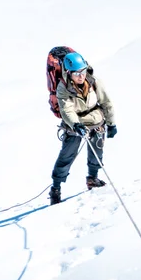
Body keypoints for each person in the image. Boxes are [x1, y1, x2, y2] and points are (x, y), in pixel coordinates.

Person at [49, 52, 117, 205]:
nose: (81, 76)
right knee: (67, 154)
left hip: (96, 120)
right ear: (68, 73)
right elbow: (66, 110)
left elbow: (106, 102)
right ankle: (56, 188)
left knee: (97, 149)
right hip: (75, 124)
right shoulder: (63, 88)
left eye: (83, 71)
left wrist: (111, 123)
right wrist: (75, 124)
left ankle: (93, 178)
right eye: (76, 73)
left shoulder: (94, 82)